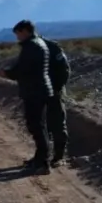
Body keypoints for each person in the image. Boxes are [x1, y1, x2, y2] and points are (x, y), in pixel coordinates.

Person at [0, 20, 54, 174]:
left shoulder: (32, 46)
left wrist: (6, 73)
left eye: (18, 34)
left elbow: (23, 69)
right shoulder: (38, 43)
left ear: (25, 31)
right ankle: (39, 159)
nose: (17, 38)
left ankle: (43, 162)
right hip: (37, 89)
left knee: (37, 126)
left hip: (35, 90)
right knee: (37, 125)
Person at [41, 36, 71, 167]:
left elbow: (64, 70)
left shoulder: (52, 48)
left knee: (57, 123)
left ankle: (59, 156)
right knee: (41, 126)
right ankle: (42, 157)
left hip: (54, 92)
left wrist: (57, 88)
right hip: (38, 94)